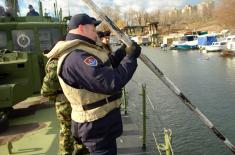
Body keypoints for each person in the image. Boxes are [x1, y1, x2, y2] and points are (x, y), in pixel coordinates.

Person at [52, 13, 141, 155]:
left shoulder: (82, 50)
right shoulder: (77, 56)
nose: (96, 32)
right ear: (81, 28)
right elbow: (111, 82)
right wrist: (130, 58)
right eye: (93, 29)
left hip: (99, 124)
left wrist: (122, 53)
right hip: (95, 126)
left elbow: (102, 67)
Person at [41, 48, 88, 154]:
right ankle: (82, 150)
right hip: (81, 100)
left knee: (66, 129)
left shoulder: (56, 62)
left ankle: (66, 152)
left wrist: (55, 97)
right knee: (81, 126)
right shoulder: (78, 57)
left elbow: (46, 90)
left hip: (64, 102)